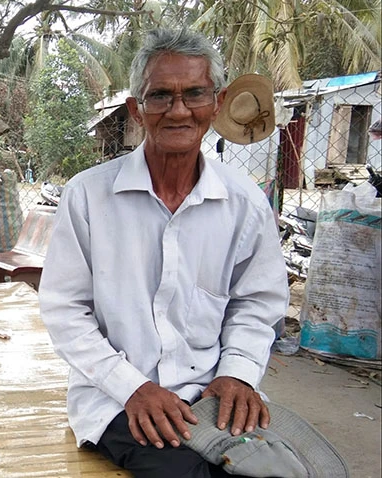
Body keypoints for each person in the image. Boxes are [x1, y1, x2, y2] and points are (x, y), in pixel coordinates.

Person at [38, 28, 288, 478]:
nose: (178, 111)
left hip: (214, 391)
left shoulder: (244, 201)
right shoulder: (89, 196)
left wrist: (237, 373)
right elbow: (64, 310)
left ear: (218, 101)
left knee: (276, 469)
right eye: (160, 96)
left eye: (194, 93)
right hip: (117, 396)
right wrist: (133, 388)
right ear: (137, 109)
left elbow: (258, 303)